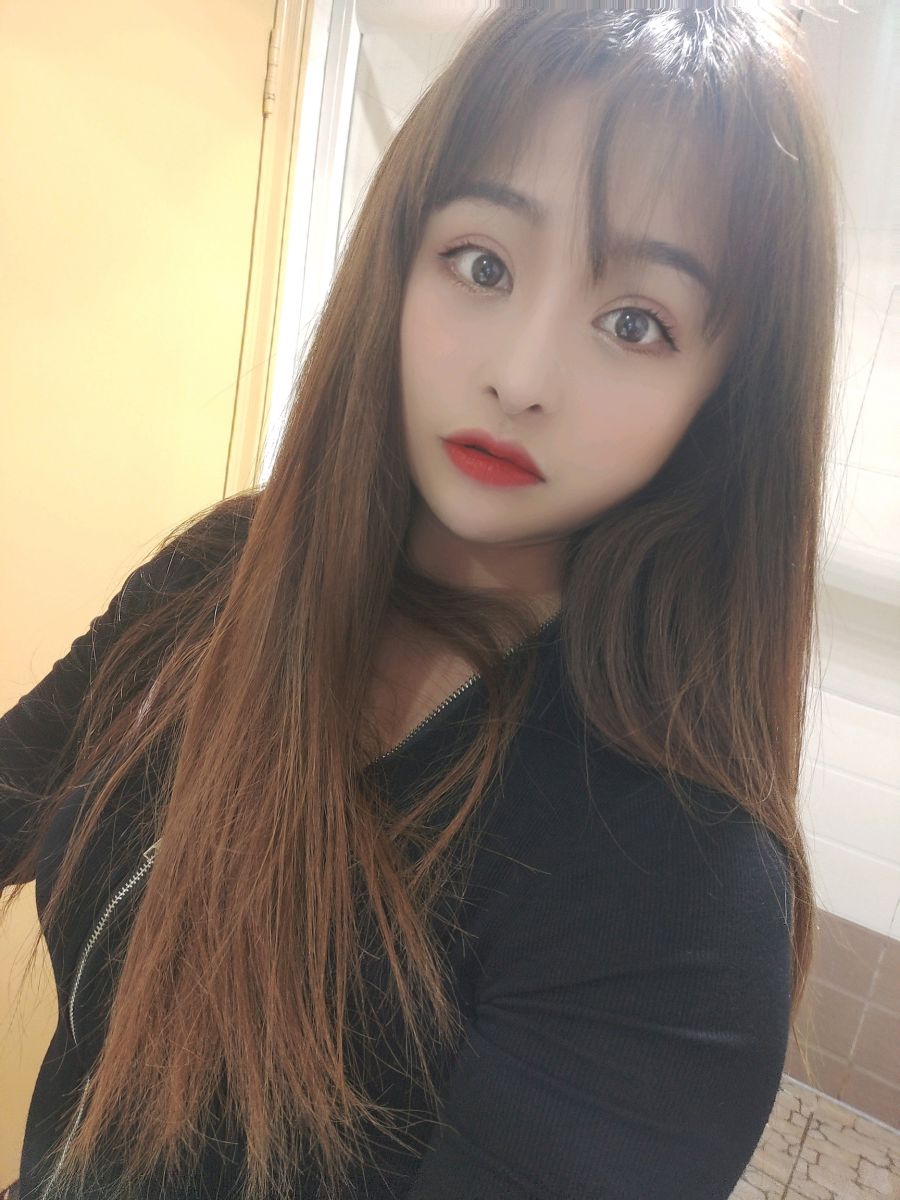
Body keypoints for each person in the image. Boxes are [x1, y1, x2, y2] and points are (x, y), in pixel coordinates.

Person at [1, 4, 841, 1199]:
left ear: (725, 393)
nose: (521, 375)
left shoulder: (673, 883)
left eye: (635, 323)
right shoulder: (221, 575)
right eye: (483, 263)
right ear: (402, 254)